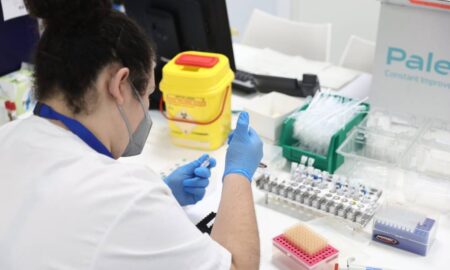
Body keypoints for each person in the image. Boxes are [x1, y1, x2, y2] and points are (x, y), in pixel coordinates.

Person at [0, 1, 263, 270]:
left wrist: (162, 198)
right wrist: (239, 174)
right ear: (119, 85)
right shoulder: (126, 197)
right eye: (147, 94)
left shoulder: (7, 137)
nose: (147, 110)